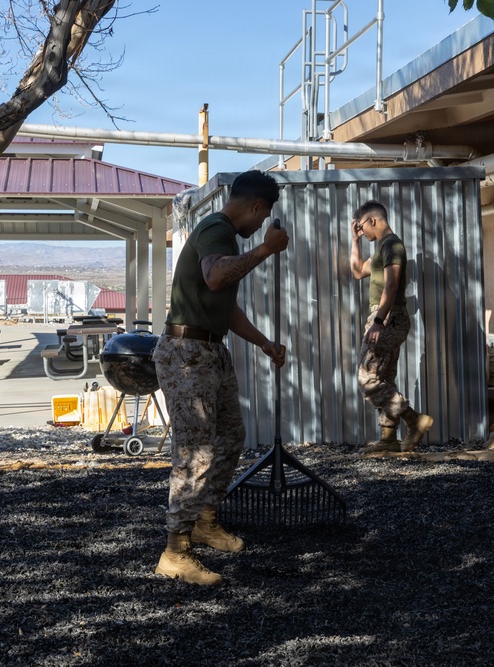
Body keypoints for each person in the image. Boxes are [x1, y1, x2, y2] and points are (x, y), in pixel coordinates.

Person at [152, 170, 289, 586]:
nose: (260, 227)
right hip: (188, 355)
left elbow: (222, 303)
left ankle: (205, 522)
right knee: (196, 452)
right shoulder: (216, 228)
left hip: (212, 349)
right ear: (258, 207)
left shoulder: (223, 236)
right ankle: (175, 552)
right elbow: (216, 275)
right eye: (263, 219)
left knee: (230, 437)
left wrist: (264, 342)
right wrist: (266, 249)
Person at [349, 200, 433, 456]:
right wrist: (355, 242)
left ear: (373, 220)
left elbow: (392, 285)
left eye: (362, 227)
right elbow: (356, 271)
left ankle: (414, 419)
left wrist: (378, 320)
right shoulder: (380, 250)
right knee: (384, 379)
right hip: (387, 317)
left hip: (387, 318)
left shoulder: (392, 245)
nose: (362, 231)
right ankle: (388, 439)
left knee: (367, 379)